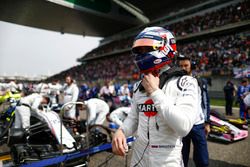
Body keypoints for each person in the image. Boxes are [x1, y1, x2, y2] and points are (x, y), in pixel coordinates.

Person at [112, 27, 198, 167]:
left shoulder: (185, 82)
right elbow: (133, 118)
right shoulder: (138, 86)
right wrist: (121, 131)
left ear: (165, 47)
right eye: (139, 50)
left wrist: (155, 92)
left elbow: (184, 127)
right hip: (138, 158)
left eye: (146, 48)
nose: (142, 54)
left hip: (167, 160)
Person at [177, 55, 210, 167]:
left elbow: (205, 102)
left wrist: (207, 122)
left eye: (186, 65)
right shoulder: (174, 82)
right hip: (181, 124)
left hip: (198, 124)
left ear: (192, 66)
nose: (183, 68)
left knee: (202, 160)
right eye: (181, 66)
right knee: (181, 158)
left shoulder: (200, 81)